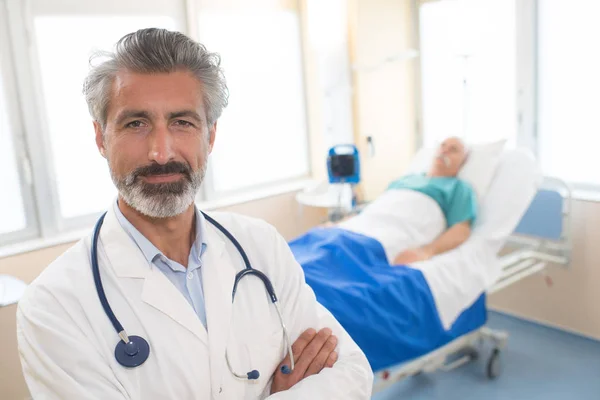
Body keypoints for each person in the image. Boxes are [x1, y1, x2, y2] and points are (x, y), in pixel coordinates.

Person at [16, 28, 372, 399]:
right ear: (101, 138)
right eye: (135, 123)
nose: (161, 151)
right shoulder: (53, 305)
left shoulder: (259, 245)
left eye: (182, 122)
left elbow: (351, 373)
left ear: (211, 135)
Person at [336, 137, 477, 265]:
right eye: (442, 146)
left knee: (346, 256)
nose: (444, 151)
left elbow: (461, 229)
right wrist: (341, 224)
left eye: (453, 150)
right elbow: (376, 210)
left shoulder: (458, 187)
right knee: (322, 241)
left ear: (462, 162)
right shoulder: (405, 180)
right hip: (354, 229)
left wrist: (426, 251)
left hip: (385, 238)